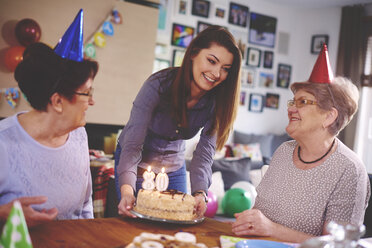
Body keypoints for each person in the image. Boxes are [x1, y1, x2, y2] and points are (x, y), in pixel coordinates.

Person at [232, 44, 370, 243]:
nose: (291, 109)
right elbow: (259, 214)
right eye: (293, 102)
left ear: (329, 117)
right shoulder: (283, 152)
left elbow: (338, 245)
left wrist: (271, 229)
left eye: (303, 102)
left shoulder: (349, 170)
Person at [115, 25, 242, 218]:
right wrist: (126, 192)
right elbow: (132, 145)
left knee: (180, 223)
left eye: (225, 69)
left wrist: (200, 193)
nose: (216, 74)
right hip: (136, 166)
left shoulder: (216, 103)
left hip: (174, 168)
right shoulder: (157, 85)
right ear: (193, 53)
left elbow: (205, 154)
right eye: (211, 61)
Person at [0, 9, 99, 221]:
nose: (92, 101)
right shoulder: (3, 141)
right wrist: (3, 214)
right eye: (87, 93)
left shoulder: (79, 135)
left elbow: (85, 205)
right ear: (57, 101)